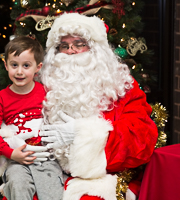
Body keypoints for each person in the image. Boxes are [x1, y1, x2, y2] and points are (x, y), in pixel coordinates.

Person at [37, 13, 159, 200]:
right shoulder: (44, 84)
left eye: (79, 44)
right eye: (64, 46)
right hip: (49, 172)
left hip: (104, 177)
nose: (71, 51)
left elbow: (142, 138)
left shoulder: (120, 85)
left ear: (95, 49)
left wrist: (85, 135)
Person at [0, 36, 64, 200]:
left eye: (26, 65)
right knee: (18, 186)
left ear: (37, 67)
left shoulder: (46, 93)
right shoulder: (1, 98)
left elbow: (57, 121)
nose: (19, 71)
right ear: (6, 65)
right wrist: (10, 153)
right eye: (14, 65)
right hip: (17, 160)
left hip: (46, 159)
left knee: (52, 194)